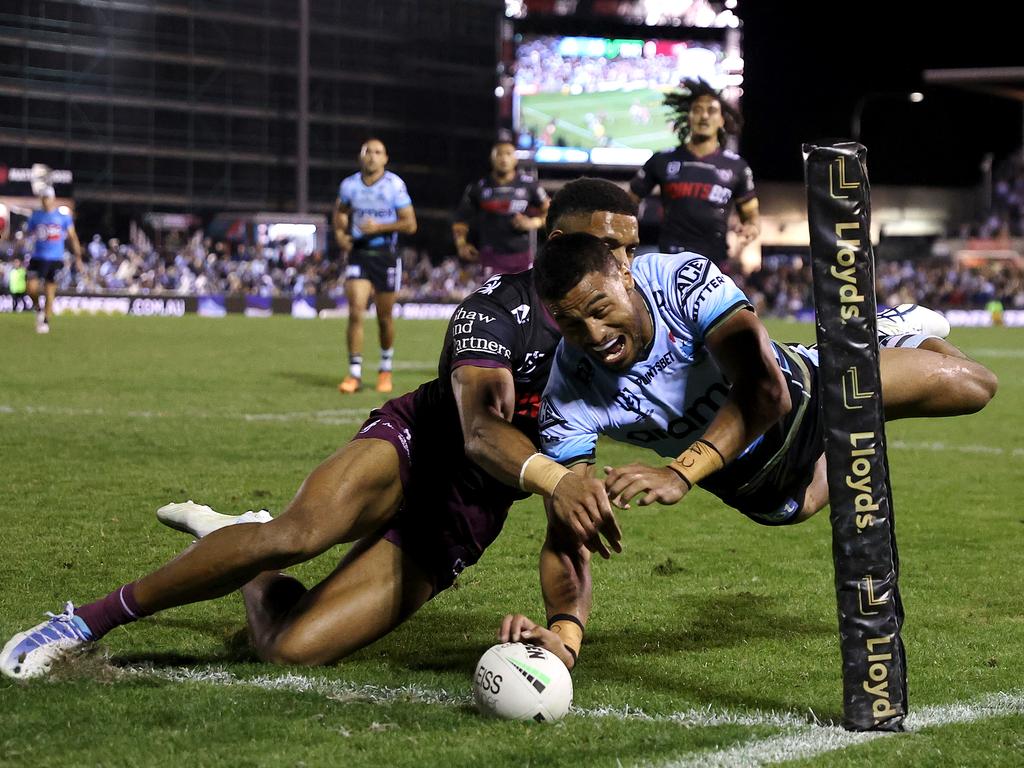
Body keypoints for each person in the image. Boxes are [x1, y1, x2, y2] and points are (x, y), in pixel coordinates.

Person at [0, 178, 638, 681]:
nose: (625, 262)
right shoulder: (497, 309)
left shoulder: (614, 348)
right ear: (557, 239)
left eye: (630, 250)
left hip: (462, 515)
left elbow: (570, 528)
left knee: (289, 649)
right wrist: (556, 478)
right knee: (298, 534)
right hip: (417, 450)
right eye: (610, 247)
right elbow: (479, 432)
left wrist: (567, 636)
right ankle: (81, 623)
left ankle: (239, 548)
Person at [529, 234, 998, 532]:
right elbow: (569, 511)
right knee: (799, 510)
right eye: (572, 325)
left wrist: (679, 472)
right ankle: (868, 390)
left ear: (625, 276)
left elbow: (764, 391)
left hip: (799, 395)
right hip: (748, 478)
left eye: (599, 310)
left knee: (974, 386)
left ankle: (882, 333)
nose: (593, 335)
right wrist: (564, 633)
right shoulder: (567, 395)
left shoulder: (678, 280)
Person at [629, 79, 759, 267]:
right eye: (697, 110)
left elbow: (752, 215)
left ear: (722, 119)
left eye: (712, 110)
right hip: (669, 263)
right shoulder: (662, 160)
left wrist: (751, 228)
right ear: (688, 116)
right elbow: (629, 202)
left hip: (714, 265)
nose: (704, 116)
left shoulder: (737, 167)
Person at [334, 139, 417, 395]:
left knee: (384, 318)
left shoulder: (394, 185)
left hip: (386, 255)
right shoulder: (349, 185)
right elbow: (340, 212)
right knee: (356, 311)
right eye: (367, 152)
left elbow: (410, 224)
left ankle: (385, 369)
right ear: (360, 157)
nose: (372, 156)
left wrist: (379, 228)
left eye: (378, 152)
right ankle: (354, 374)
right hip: (359, 254)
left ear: (385, 159)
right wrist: (340, 234)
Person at [453, 136, 550, 278]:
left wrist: (533, 222)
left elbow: (551, 212)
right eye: (499, 154)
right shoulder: (478, 187)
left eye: (508, 154)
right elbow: (461, 218)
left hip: (521, 256)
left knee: (526, 299)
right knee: (494, 300)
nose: (504, 159)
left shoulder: (529, 185)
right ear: (491, 157)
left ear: (515, 158)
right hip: (491, 256)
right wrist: (461, 244)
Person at [25, 187, 83, 333]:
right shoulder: (35, 216)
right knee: (30, 288)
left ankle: (45, 321)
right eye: (43, 198)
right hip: (37, 257)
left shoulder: (62, 217)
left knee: (50, 291)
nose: (45, 200)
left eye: (47, 197)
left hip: (55, 259)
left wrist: (78, 258)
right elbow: (28, 234)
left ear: (53, 198)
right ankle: (38, 308)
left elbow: (73, 237)